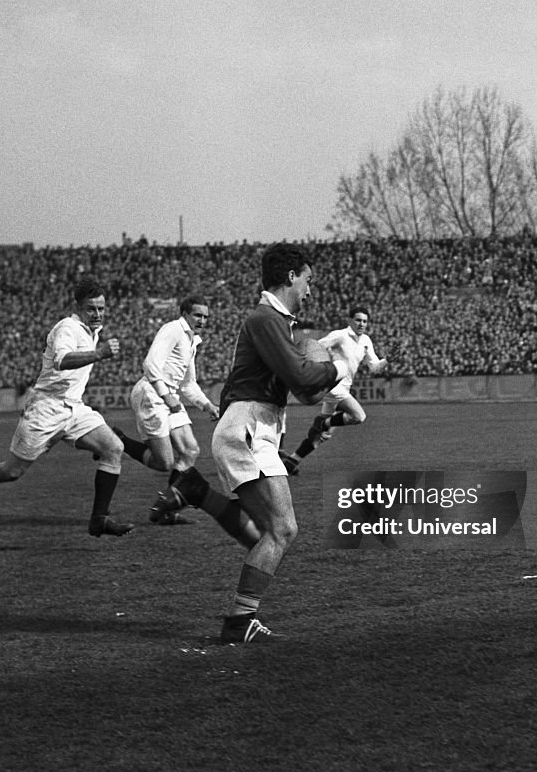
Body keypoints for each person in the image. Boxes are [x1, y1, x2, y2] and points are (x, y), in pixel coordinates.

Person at [176, 242, 348, 643]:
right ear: (291, 277)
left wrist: (320, 372)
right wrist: (341, 366)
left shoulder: (276, 323)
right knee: (282, 529)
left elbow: (302, 390)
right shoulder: (265, 319)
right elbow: (304, 381)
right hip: (248, 428)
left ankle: (197, 492)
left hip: (251, 428)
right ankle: (239, 622)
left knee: (267, 533)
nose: (310, 289)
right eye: (308, 280)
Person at [0, 277, 133, 537]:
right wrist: (99, 353)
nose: (97, 314)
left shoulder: (91, 330)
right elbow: (61, 360)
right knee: (11, 471)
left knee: (113, 448)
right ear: (78, 306)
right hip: (45, 409)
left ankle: (99, 519)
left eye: (101, 308)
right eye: (91, 308)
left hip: (74, 408)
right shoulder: (67, 328)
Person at [112, 296, 260, 548]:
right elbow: (150, 365)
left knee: (190, 450)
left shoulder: (192, 341)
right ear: (184, 314)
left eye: (205, 316)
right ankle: (120, 441)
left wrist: (206, 405)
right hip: (152, 394)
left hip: (170, 397)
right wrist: (167, 396)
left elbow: (188, 384)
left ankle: (165, 509)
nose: (202, 320)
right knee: (164, 462)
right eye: (197, 315)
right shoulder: (172, 329)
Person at [281, 306, 388, 475]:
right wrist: (330, 356)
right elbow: (315, 348)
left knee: (321, 436)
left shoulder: (366, 341)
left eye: (365, 321)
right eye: (358, 320)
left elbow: (374, 368)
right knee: (358, 416)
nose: (361, 324)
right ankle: (324, 422)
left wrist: (387, 360)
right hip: (333, 386)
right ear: (350, 320)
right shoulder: (340, 336)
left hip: (344, 388)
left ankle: (292, 461)